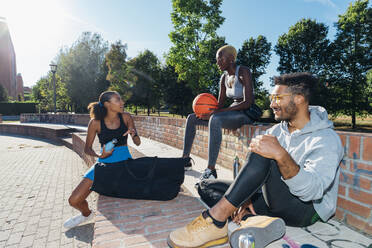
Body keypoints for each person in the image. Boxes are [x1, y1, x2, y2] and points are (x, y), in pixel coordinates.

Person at [168, 72, 344, 248]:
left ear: (298, 98)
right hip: (271, 201)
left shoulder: (326, 139)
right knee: (206, 185)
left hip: (306, 210)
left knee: (265, 148)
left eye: (278, 97)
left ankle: (216, 220)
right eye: (271, 97)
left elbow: (312, 192)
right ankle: (254, 221)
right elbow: (255, 171)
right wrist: (245, 196)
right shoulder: (276, 131)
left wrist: (281, 155)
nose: (272, 103)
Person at [63, 91, 141, 229]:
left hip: (125, 163)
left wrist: (134, 134)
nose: (122, 102)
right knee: (74, 200)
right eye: (118, 100)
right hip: (104, 163)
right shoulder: (95, 123)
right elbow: (87, 149)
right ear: (107, 104)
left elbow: (138, 143)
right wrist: (101, 156)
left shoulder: (126, 117)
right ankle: (86, 214)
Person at [183, 45, 258, 180]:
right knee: (192, 118)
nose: (217, 62)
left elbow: (248, 102)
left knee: (216, 119)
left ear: (230, 58)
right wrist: (205, 111)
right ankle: (184, 160)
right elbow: (219, 105)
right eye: (217, 60)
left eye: (220, 59)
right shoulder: (223, 78)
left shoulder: (243, 71)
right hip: (230, 114)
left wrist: (217, 113)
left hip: (244, 114)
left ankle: (211, 170)